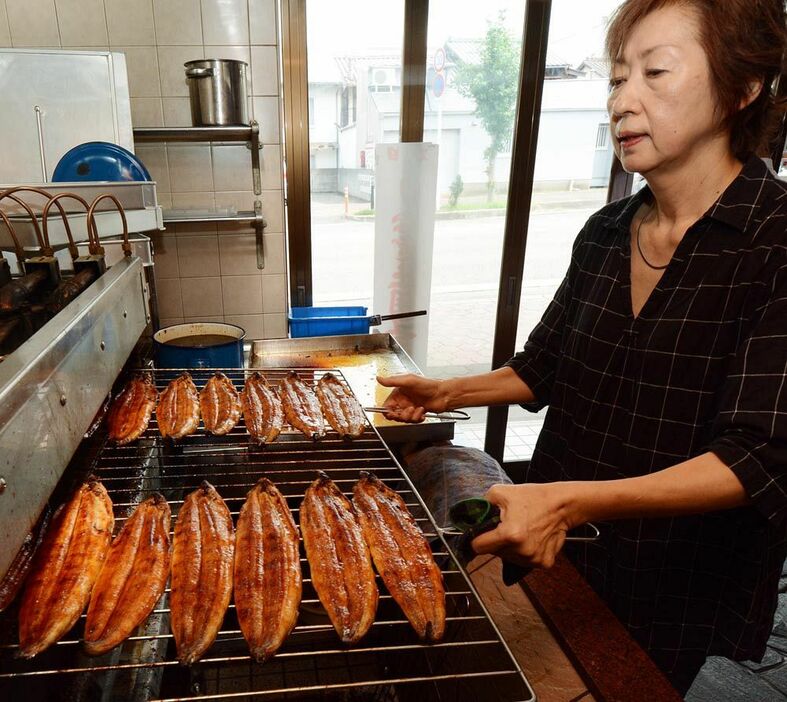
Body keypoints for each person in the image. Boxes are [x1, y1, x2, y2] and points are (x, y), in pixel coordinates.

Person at [379, 0, 787, 695]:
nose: (623, 102)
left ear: (742, 89)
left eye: (654, 73)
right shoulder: (604, 232)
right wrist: (446, 393)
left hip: (675, 574)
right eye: (616, 78)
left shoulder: (774, 244)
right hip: (557, 546)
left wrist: (570, 504)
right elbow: (545, 368)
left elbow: (756, 457)